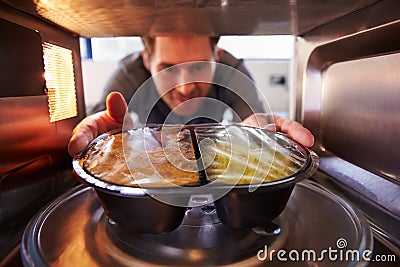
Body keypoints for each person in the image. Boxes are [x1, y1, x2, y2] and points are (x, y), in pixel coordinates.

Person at [68, 35, 314, 156]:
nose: (185, 88)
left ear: (216, 59)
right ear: (147, 60)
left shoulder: (233, 73)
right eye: (168, 69)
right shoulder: (128, 76)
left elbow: (255, 124)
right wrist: (107, 141)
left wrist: (262, 138)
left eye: (198, 66)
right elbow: (99, 125)